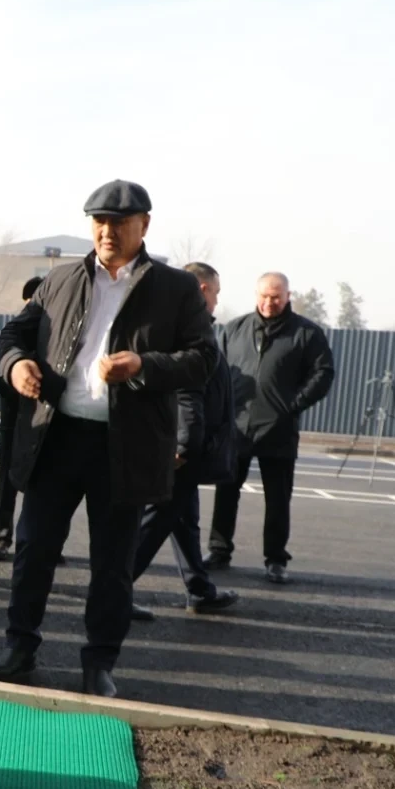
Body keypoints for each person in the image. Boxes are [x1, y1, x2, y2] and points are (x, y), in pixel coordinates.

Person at [0, 180, 216, 698]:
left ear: (144, 225)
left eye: (119, 223)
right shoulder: (61, 279)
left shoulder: (176, 289)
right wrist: (16, 364)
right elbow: (13, 335)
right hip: (56, 437)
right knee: (33, 549)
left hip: (125, 445)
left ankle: (99, 662)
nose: (107, 231)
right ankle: (19, 647)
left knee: (112, 565)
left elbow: (203, 359)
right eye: (99, 222)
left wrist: (143, 366)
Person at [208, 272, 335, 584]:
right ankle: (219, 550)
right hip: (237, 427)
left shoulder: (307, 334)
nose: (269, 302)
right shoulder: (235, 329)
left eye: (276, 297)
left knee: (278, 499)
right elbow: (216, 370)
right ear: (256, 295)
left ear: (288, 296)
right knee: (226, 493)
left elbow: (323, 373)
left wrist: (293, 405)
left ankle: (276, 559)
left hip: (279, 430)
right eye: (264, 296)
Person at [130, 262, 239, 621]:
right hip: (183, 448)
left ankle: (199, 589)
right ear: (203, 290)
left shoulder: (179, 322)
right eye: (216, 293)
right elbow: (187, 393)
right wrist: (185, 446)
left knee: (183, 520)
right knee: (156, 522)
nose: (217, 301)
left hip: (187, 445)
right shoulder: (189, 328)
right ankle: (113, 590)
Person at [0, 276, 44, 561]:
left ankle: (45, 541)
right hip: (14, 416)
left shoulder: (54, 335)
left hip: (46, 420)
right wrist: (20, 384)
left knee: (46, 484)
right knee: (6, 479)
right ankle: (1, 536)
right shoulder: (13, 332)